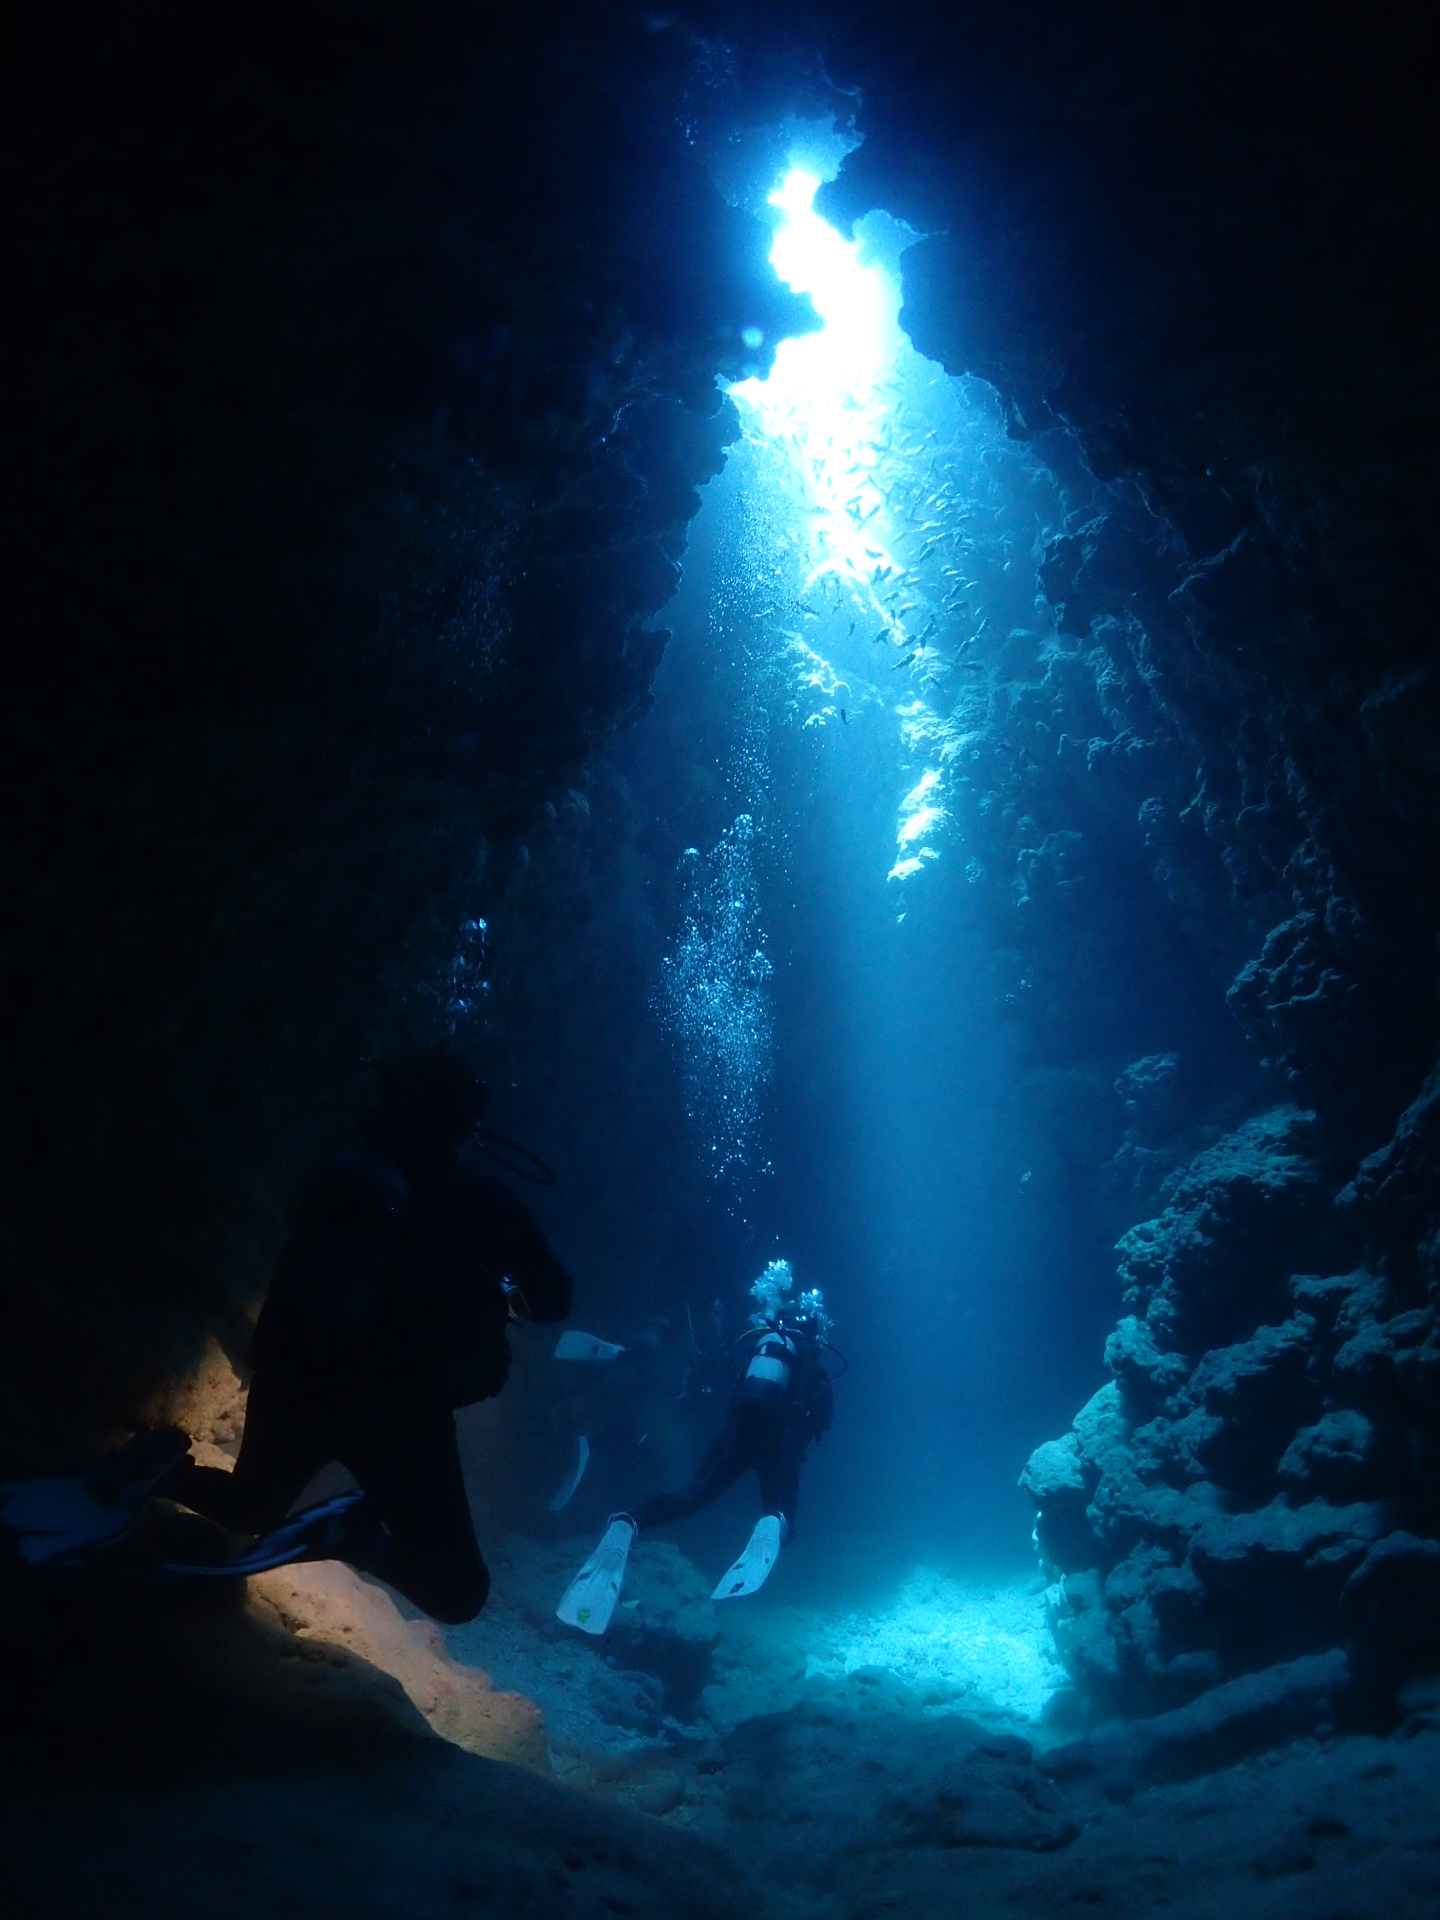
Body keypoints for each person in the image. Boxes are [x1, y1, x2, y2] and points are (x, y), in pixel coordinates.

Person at [170, 1049, 572, 1623]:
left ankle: (162, 1471)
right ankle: (354, 1541)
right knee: (459, 1590)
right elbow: (554, 1299)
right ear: (466, 1125)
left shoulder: (343, 1172)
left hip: (297, 1378)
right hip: (397, 1412)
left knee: (249, 1504)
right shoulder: (483, 1202)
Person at [557, 1260, 835, 1633]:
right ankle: (774, 1522)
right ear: (817, 1334)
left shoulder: (758, 1347)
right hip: (779, 1444)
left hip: (739, 1431)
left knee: (690, 1496)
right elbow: (815, 1423)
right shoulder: (810, 1368)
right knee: (778, 1513)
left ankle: (629, 1522)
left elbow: (731, 1392)